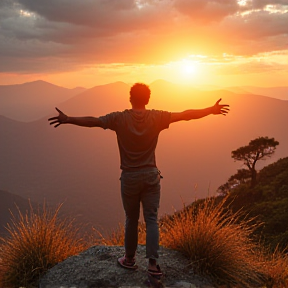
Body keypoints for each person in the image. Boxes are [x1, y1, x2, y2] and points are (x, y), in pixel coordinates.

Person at [48, 83, 229, 278]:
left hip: (129, 177)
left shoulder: (119, 118)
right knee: (151, 219)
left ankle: (129, 259)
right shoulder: (157, 117)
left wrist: (68, 119)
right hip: (151, 175)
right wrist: (210, 110)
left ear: (130, 98)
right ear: (148, 99)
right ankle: (152, 265)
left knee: (131, 219)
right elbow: (185, 114)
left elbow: (95, 121)